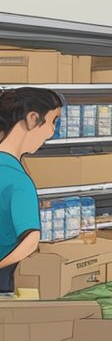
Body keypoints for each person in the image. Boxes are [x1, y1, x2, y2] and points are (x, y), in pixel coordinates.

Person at [0, 88, 63, 294]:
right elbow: (30, 240)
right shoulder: (18, 181)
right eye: (53, 121)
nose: (52, 131)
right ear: (33, 118)